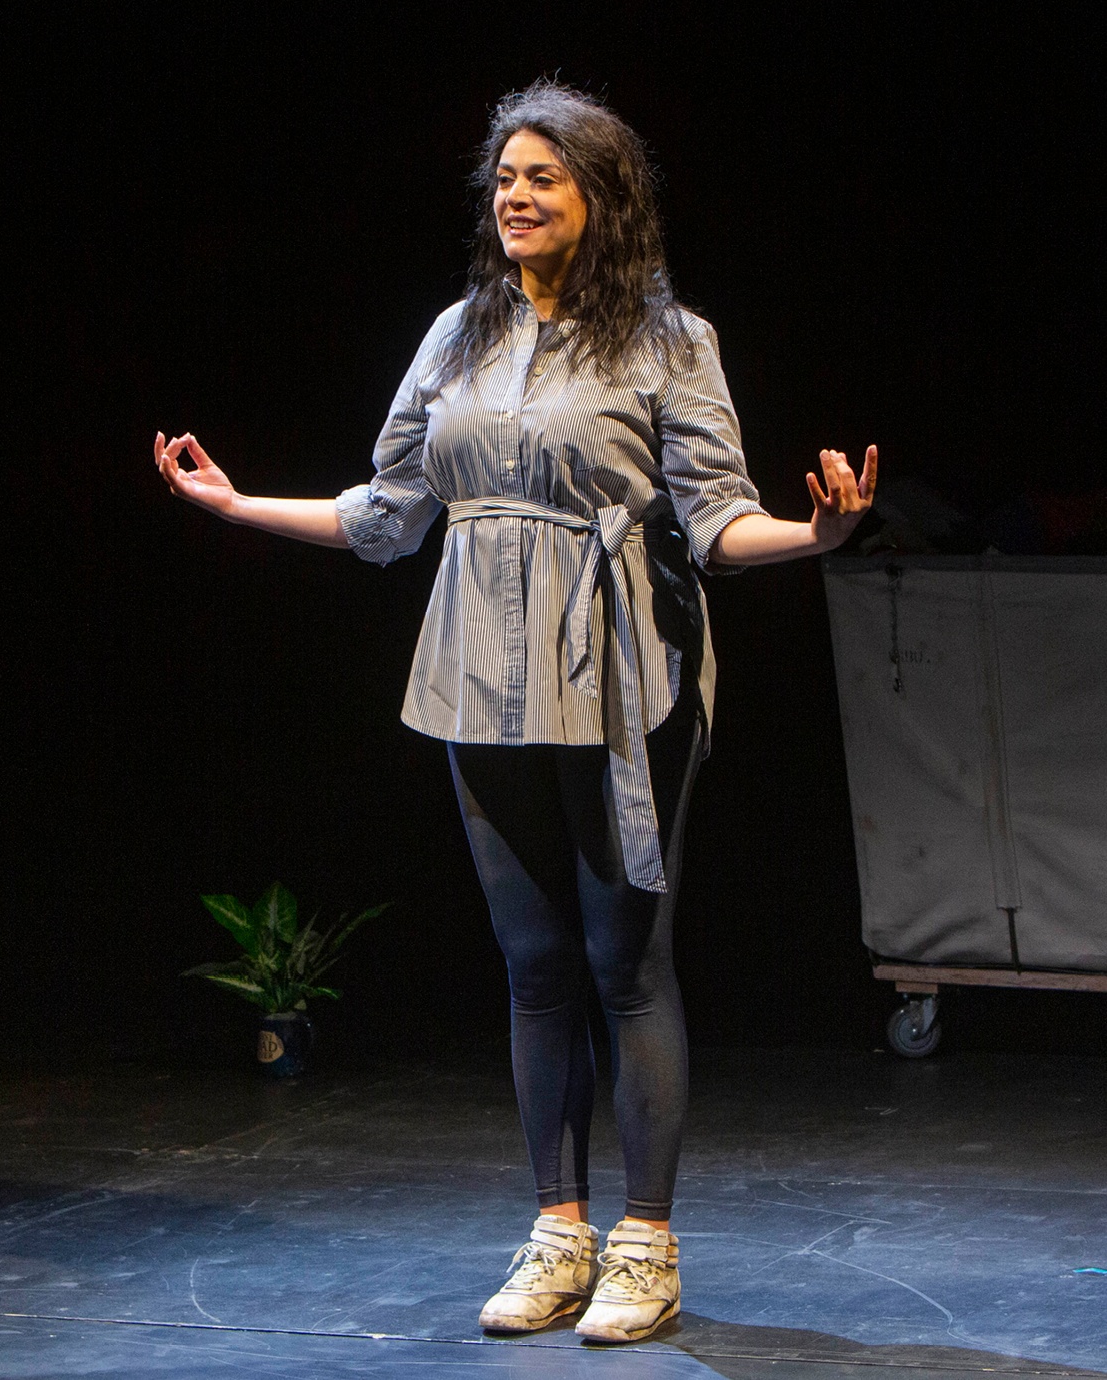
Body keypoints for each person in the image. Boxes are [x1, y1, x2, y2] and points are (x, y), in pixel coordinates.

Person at [156, 82, 876, 1344]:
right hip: (475, 676)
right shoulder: (456, 336)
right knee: (536, 970)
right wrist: (238, 508)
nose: (517, 197)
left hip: (619, 675)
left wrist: (819, 536)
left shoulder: (666, 338)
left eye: (544, 177)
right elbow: (387, 515)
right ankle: (559, 1232)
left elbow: (714, 520)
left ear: (603, 196)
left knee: (623, 965)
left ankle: (644, 1244)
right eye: (505, 179)